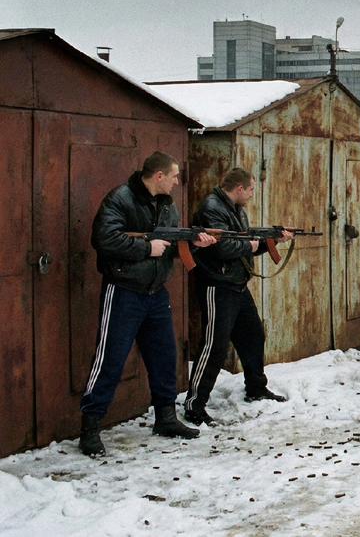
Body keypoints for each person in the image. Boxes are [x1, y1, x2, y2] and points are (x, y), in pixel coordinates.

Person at [80, 152, 217, 457]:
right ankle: (90, 428)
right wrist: (146, 248)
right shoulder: (120, 199)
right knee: (110, 359)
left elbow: (168, 245)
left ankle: (166, 418)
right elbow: (104, 239)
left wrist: (191, 242)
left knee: (165, 355)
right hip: (124, 290)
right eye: (174, 175)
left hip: (156, 293)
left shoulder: (168, 206)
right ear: (158, 176)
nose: (177, 181)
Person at [184, 168, 293, 426]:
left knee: (253, 335)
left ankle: (256, 387)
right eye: (252, 189)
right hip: (217, 284)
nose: (253, 194)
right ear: (240, 189)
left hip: (236, 283)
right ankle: (194, 405)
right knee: (214, 346)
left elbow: (242, 246)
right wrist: (257, 244)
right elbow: (224, 248)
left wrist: (270, 241)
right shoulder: (212, 208)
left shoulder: (235, 209)